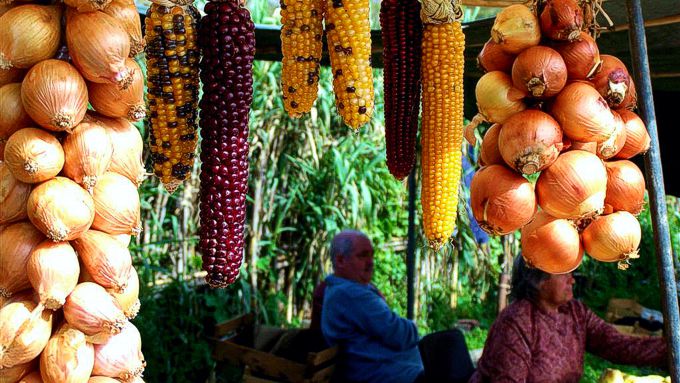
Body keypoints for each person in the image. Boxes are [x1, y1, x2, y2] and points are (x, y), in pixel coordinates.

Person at [469, 256, 668, 383]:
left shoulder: (575, 312)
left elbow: (617, 345)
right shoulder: (516, 322)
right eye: (565, 274)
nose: (572, 279)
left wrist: (669, 350)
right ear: (539, 281)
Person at [320, 230, 425, 383]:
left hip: (395, 371)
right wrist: (413, 328)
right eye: (362, 256)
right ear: (341, 261)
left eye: (371, 255)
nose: (370, 262)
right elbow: (398, 334)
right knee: (451, 344)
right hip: (391, 375)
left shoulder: (346, 289)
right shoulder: (350, 294)